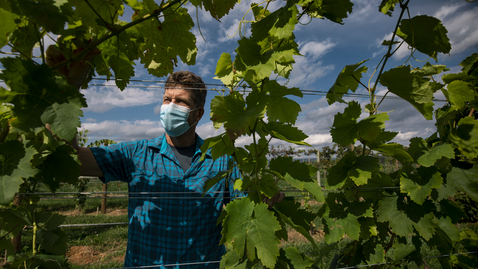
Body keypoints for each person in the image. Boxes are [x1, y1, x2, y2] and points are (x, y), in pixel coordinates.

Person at [46, 45, 284, 268]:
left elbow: (245, 208)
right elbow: (73, 161)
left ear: (197, 114)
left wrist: (264, 196)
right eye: (166, 100)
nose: (170, 106)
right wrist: (63, 95)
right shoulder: (136, 153)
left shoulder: (222, 158)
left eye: (180, 101)